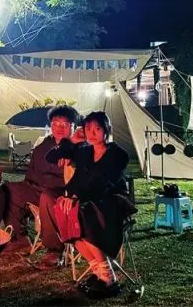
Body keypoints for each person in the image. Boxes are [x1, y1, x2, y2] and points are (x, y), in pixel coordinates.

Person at [46, 111, 137, 299]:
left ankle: (108, 277)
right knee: (65, 214)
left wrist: (77, 197)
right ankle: (97, 271)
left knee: (83, 213)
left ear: (107, 130)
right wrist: (72, 140)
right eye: (88, 129)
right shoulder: (85, 151)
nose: (92, 133)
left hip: (112, 200)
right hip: (86, 200)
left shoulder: (118, 154)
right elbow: (51, 157)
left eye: (97, 128)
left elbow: (103, 182)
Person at [1, 105, 83, 269]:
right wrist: (26, 187)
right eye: (55, 123)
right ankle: (19, 239)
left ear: (74, 126)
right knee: (9, 189)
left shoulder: (80, 148)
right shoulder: (43, 146)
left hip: (61, 193)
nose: (59, 128)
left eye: (64, 124)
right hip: (37, 189)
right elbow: (31, 173)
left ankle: (54, 251)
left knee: (47, 196)